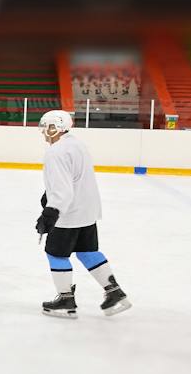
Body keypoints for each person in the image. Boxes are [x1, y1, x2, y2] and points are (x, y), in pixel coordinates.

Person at [35, 109, 131, 318]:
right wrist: (48, 195)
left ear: (56, 128)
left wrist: (50, 214)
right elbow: (73, 178)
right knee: (87, 251)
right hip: (87, 211)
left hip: (68, 214)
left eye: (46, 128)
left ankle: (65, 300)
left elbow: (63, 189)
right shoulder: (77, 145)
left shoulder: (55, 152)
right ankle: (115, 292)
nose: (43, 132)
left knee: (55, 253)